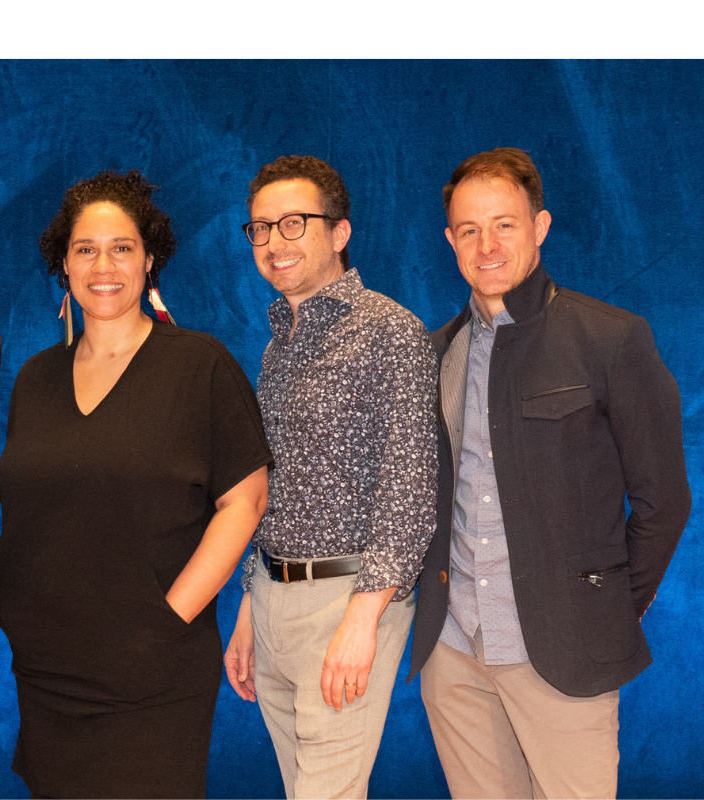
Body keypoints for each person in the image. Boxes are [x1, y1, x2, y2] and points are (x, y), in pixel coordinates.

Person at [409, 147, 691, 799]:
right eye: (469, 230)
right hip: (453, 657)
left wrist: (606, 608)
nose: (487, 245)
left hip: (565, 655)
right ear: (450, 240)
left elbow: (665, 501)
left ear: (539, 226)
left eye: (504, 224)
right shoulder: (437, 352)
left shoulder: (612, 339)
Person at [0, 170, 272, 798]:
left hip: (154, 671)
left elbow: (245, 500)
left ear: (150, 260)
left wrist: (168, 619)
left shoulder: (200, 365)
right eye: (84, 248)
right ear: (63, 264)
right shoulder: (36, 378)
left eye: (121, 247)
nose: (103, 265)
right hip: (47, 671)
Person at [223, 155, 438, 799]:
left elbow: (410, 487)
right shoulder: (276, 345)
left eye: (294, 223)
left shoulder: (390, 332)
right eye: (260, 228)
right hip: (273, 598)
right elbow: (269, 487)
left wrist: (364, 618)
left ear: (340, 233)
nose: (273, 243)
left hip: (347, 602)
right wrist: (247, 606)